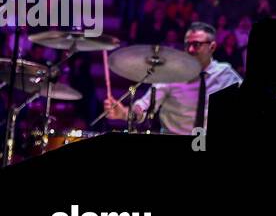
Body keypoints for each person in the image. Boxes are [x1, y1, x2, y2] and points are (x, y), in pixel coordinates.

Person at [103, 22, 243, 134]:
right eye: (187, 44)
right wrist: (123, 113)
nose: (190, 50)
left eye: (197, 45)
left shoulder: (225, 74)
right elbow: (144, 109)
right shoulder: (171, 74)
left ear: (212, 47)